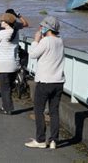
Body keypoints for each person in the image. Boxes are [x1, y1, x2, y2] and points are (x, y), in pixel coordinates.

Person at [25, 16, 65, 150]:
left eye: (42, 26)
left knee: (39, 110)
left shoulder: (45, 41)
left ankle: (41, 139)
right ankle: (54, 140)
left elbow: (33, 54)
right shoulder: (60, 41)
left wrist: (36, 41)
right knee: (54, 112)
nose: (40, 28)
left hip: (44, 81)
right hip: (58, 81)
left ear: (47, 28)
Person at [0, 13, 20, 115]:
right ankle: (6, 106)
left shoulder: (2, 33)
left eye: (2, 21)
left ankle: (7, 109)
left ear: (6, 23)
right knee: (9, 88)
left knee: (4, 89)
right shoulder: (16, 33)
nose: (0, 22)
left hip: (4, 65)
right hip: (14, 64)